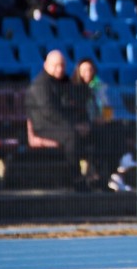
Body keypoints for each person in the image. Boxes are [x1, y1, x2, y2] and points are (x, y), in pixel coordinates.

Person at [25, 50, 96, 190]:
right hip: (45, 127)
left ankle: (98, 176)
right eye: (56, 65)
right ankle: (77, 180)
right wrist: (74, 126)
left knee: (96, 132)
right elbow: (49, 112)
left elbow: (72, 104)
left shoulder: (63, 82)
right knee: (71, 136)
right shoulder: (40, 84)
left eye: (62, 65)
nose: (60, 69)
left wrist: (81, 123)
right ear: (46, 65)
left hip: (64, 124)